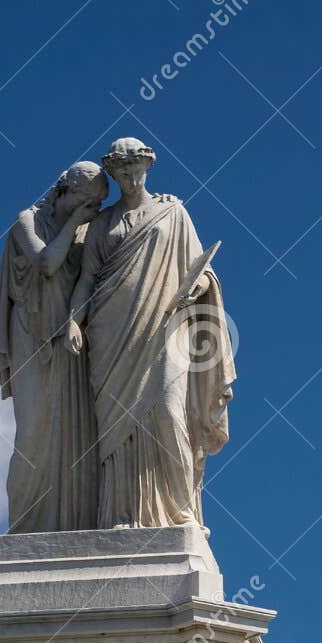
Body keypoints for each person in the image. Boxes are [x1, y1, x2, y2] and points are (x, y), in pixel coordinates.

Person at [66, 137, 235, 529]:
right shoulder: (102, 225)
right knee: (115, 427)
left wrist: (197, 287)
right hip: (109, 333)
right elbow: (88, 278)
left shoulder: (173, 212)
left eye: (134, 168)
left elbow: (202, 268)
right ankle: (122, 514)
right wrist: (74, 320)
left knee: (167, 410)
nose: (128, 176)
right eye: (120, 170)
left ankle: (180, 510)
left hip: (163, 326)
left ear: (147, 167)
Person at [0, 160, 108, 532]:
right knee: (34, 433)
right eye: (87, 201)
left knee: (76, 435)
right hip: (32, 334)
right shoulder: (26, 220)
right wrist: (75, 224)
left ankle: (73, 525)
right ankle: (25, 527)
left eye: (97, 205)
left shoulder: (89, 231)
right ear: (66, 191)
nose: (92, 211)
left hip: (71, 339)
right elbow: (46, 263)